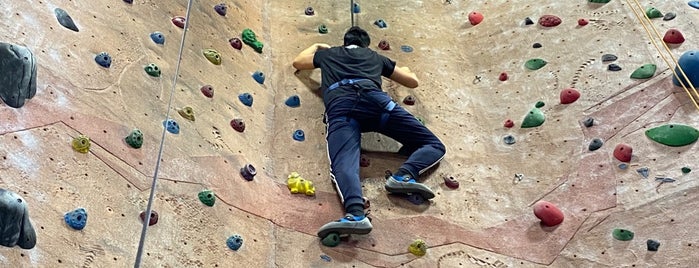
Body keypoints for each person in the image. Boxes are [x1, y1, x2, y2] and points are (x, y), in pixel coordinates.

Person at [292, 26, 446, 238]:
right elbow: (412, 81)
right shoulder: (375, 57)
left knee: (344, 162)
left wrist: (318, 46)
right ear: (366, 44)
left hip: (343, 108)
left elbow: (299, 63)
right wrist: (403, 68)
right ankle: (404, 176)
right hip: (378, 105)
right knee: (434, 145)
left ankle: (356, 214)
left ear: (345, 42)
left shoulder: (328, 54)